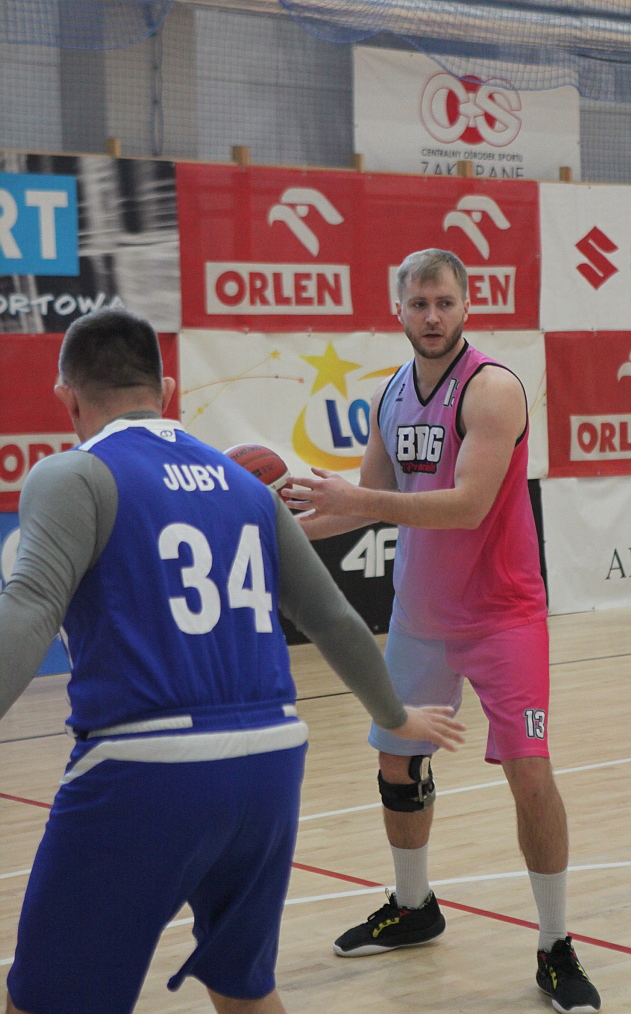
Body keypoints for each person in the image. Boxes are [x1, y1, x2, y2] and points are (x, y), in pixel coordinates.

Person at [0, 308, 465, 1014]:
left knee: (44, 1003)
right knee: (244, 991)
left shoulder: (72, 474)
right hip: (269, 768)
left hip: (146, 767)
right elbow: (333, 619)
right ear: (168, 389)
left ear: (67, 396)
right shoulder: (244, 485)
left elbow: (30, 610)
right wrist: (395, 715)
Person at [286, 248, 602, 1014]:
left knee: (529, 773)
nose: (432, 316)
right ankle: (414, 907)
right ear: (397, 309)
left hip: (503, 618)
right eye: (419, 303)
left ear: (467, 306)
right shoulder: (391, 393)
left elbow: (465, 505)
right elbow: (366, 502)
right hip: (421, 618)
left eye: (444, 302)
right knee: (398, 763)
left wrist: (357, 498)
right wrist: (273, 522)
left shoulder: (493, 389)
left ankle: (555, 944)